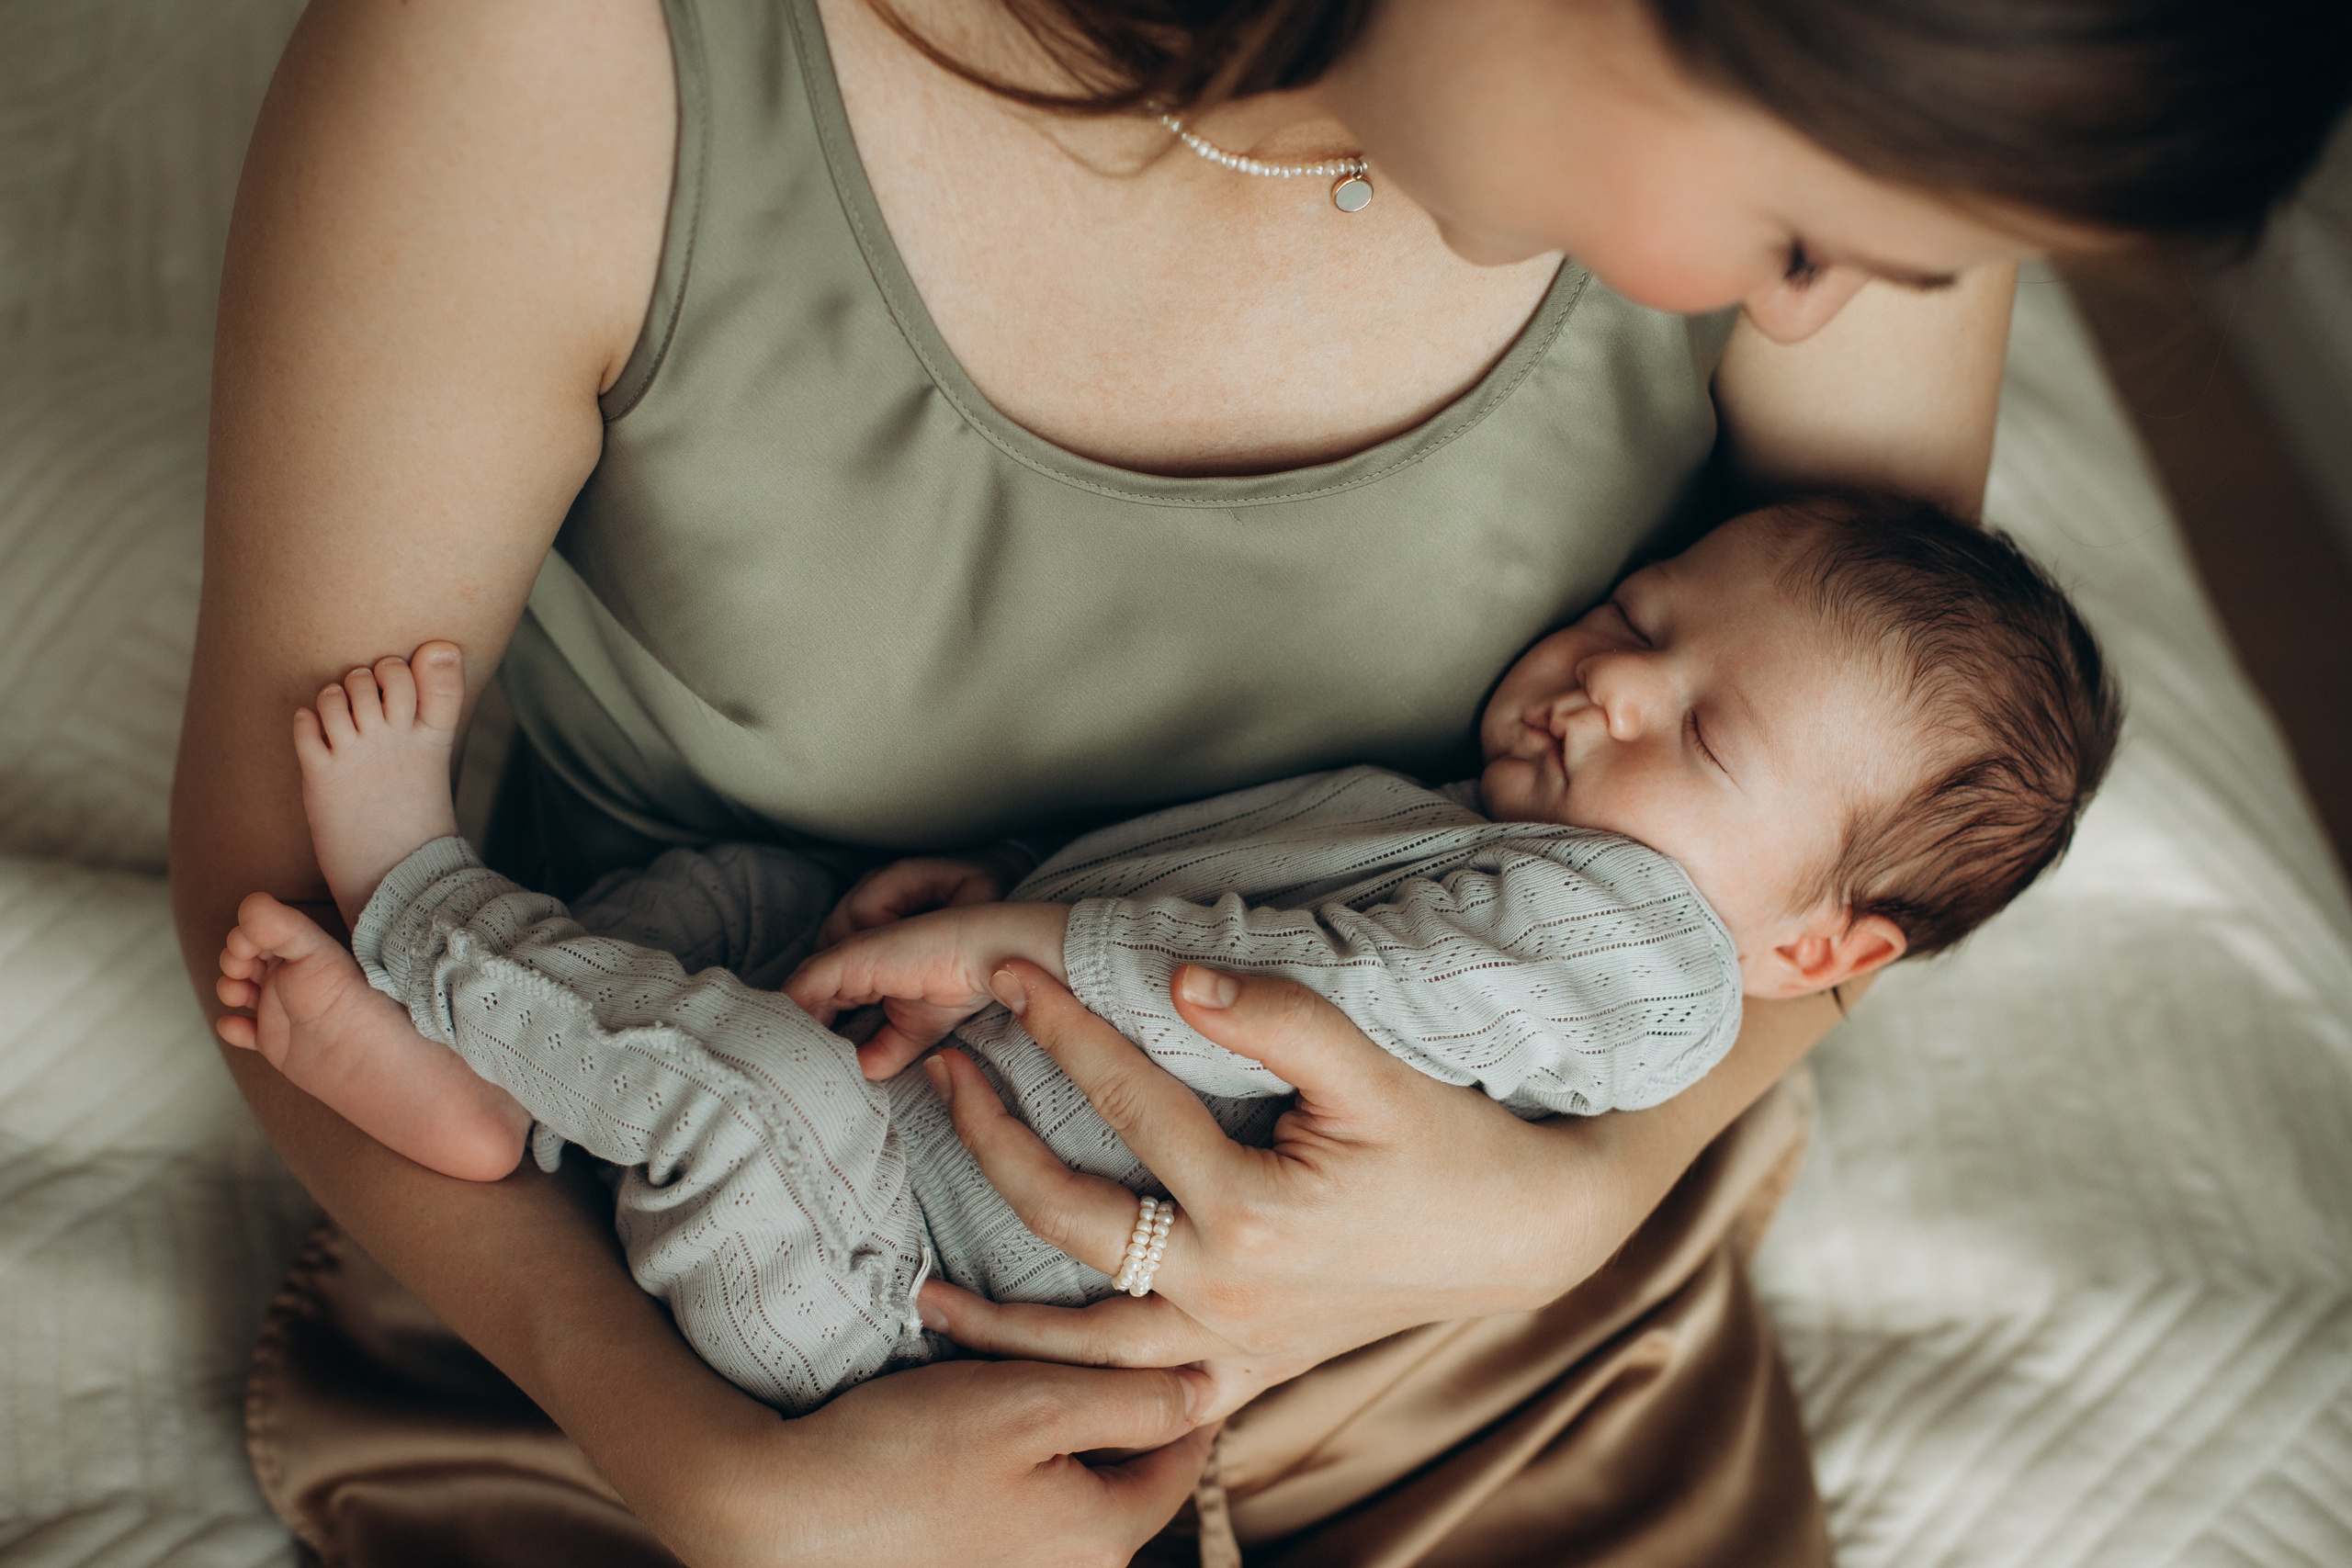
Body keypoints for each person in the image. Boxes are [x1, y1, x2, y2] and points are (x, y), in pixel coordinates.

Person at [170, 0, 2347, 1562]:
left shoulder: (1882, 170)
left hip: (1478, 1364)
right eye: (1794, 240)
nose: (1811, 310)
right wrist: (711, 1472)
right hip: (685, 1321)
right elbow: (280, 898)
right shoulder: (553, 59)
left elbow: (1837, 877)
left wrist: (1575, 1198)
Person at [209, 499, 2117, 1418]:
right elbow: (1211, 884)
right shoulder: (1474, 822)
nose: (1612, 681)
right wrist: (997, 879)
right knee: (733, 895)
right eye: (1638, 614)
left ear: (1813, 940)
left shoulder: (1633, 959)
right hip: (915, 1103)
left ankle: (417, 901)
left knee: (746, 1073)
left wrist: (1014, 937)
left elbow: (1270, 1000)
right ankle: (505, 1104)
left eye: (1701, 735)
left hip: (881, 1281)